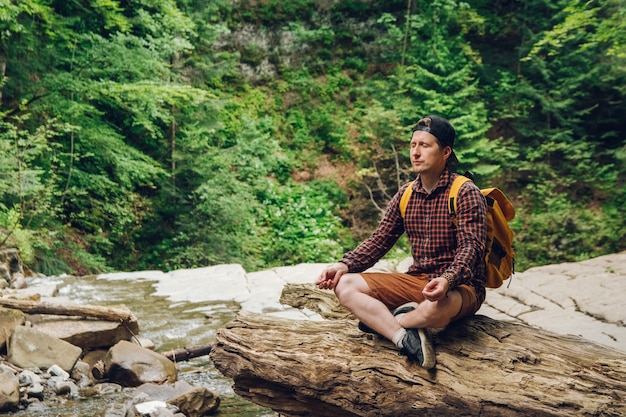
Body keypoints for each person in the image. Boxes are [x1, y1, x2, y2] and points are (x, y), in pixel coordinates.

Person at [315, 115, 487, 369]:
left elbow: (471, 247)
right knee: (345, 285)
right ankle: (403, 338)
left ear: (445, 152)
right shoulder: (405, 194)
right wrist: (344, 265)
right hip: (417, 281)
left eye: (425, 146)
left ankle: (392, 321)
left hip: (461, 287)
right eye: (412, 145)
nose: (415, 153)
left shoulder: (464, 192)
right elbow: (380, 239)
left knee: (433, 311)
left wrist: (448, 279)